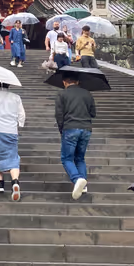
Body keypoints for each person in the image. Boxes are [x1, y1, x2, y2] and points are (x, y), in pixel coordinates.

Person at [55, 72, 96, 200]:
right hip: (86, 129)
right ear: (78, 81)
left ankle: (77, 179)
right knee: (80, 158)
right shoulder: (87, 93)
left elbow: (59, 114)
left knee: (67, 158)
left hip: (70, 128)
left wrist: (62, 129)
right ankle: (83, 185)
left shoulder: (62, 94)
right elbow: (93, 113)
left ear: (64, 82)